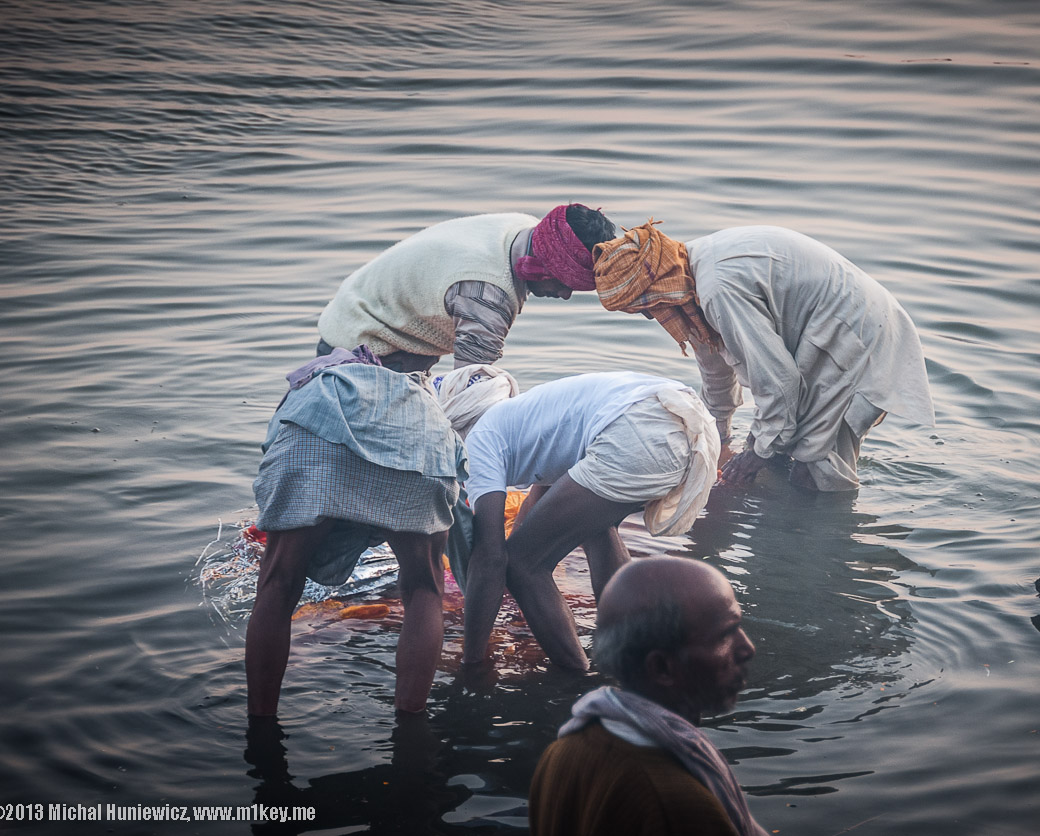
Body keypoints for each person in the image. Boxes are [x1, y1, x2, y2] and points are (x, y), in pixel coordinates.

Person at [592, 222, 935, 491]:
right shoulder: (688, 267)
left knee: (814, 466)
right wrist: (719, 437)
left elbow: (779, 382)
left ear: (658, 290)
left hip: (853, 339)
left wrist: (755, 453)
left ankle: (823, 556)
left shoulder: (718, 290)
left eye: (646, 307)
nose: (651, 317)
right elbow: (715, 369)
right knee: (782, 454)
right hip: (835, 333)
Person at [440, 369, 721, 672]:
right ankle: (636, 648)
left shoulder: (480, 441)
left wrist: (472, 659)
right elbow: (537, 510)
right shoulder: (529, 418)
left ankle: (575, 675)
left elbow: (492, 556)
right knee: (595, 528)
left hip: (638, 430)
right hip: (683, 423)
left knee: (524, 564)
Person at [245, 346, 466, 716]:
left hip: (319, 432)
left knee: (279, 581)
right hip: (419, 439)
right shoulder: (422, 391)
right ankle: (410, 728)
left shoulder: (317, 379)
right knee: (424, 587)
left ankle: (260, 725)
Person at [528, 556, 765, 836]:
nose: (747, 648)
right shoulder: (680, 806)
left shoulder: (562, 752)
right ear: (662, 668)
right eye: (726, 634)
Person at [315, 204, 616, 373]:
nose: (565, 295)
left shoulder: (524, 228)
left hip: (361, 311)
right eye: (564, 283)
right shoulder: (486, 295)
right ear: (538, 266)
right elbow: (470, 391)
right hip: (369, 349)